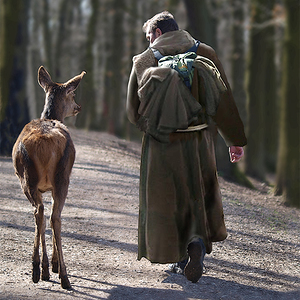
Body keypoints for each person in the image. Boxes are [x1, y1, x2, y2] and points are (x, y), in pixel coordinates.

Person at [126, 11, 247, 283]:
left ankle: (179, 256)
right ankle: (196, 244)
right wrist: (234, 140)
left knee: (168, 198)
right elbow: (224, 98)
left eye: (148, 36)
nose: (148, 42)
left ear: (157, 33)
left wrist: (155, 128)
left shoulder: (144, 60)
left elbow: (133, 112)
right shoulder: (205, 52)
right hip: (200, 140)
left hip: (162, 145)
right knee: (197, 193)